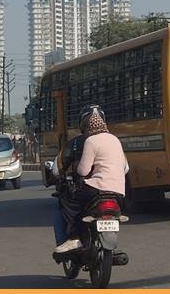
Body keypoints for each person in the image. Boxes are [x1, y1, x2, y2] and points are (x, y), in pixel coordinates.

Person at [54, 106, 128, 254]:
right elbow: (125, 168)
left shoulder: (90, 141)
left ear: (84, 125)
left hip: (97, 190)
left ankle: (74, 237)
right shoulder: (115, 139)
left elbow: (83, 170)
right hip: (119, 193)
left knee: (69, 203)